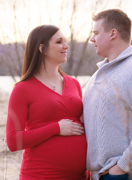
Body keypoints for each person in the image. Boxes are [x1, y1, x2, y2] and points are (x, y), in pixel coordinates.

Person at [83, 9, 132, 180]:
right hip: (102, 173)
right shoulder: (100, 73)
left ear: (113, 34)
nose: (92, 39)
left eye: (96, 33)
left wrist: (122, 167)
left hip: (129, 172)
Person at [6, 24, 89, 180]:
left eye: (65, 41)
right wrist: (56, 128)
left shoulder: (74, 84)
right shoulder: (22, 89)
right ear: (42, 48)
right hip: (41, 174)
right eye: (59, 42)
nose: (66, 46)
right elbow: (13, 142)